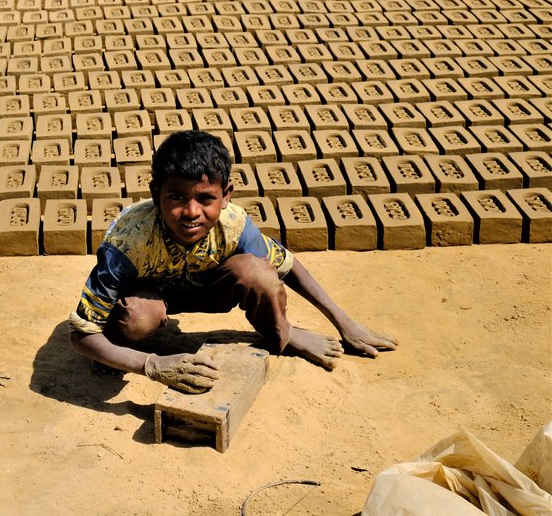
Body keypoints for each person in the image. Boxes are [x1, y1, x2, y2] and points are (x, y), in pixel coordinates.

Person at [69, 130, 396, 393]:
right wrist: (151, 365)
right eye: (177, 197)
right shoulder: (128, 243)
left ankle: (283, 333)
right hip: (148, 297)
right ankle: (119, 354)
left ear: (226, 194)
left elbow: (288, 265)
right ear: (156, 194)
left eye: (206, 198)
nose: (192, 212)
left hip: (202, 287)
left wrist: (344, 322)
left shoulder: (234, 225)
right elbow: (81, 334)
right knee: (140, 317)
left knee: (258, 272)